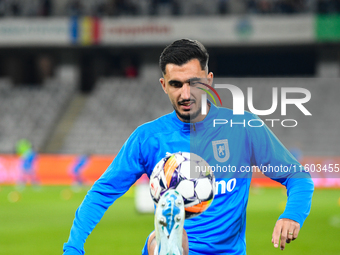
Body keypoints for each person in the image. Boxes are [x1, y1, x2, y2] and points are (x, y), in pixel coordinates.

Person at [63, 39, 314, 255]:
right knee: (163, 241)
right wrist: (73, 248)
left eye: (194, 83)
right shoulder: (149, 138)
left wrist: (292, 214)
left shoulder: (242, 127)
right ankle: (165, 244)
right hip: (178, 248)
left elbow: (297, 176)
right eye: (176, 84)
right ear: (164, 85)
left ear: (209, 80)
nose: (186, 94)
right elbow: (102, 191)